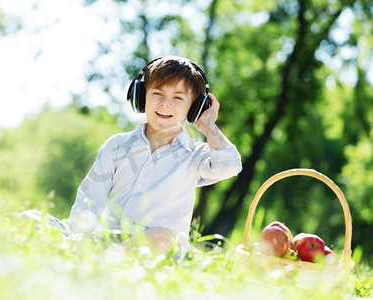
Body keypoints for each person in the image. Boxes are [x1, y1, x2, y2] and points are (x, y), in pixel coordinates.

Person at [15, 56, 242, 258]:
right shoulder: (117, 145)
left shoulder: (195, 156)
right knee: (29, 218)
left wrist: (207, 124)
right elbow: (90, 197)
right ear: (141, 96)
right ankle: (87, 252)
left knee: (163, 238)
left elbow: (231, 165)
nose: (165, 103)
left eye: (178, 98)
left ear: (195, 108)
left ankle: (100, 258)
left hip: (156, 246)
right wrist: (80, 234)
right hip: (105, 239)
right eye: (157, 93)